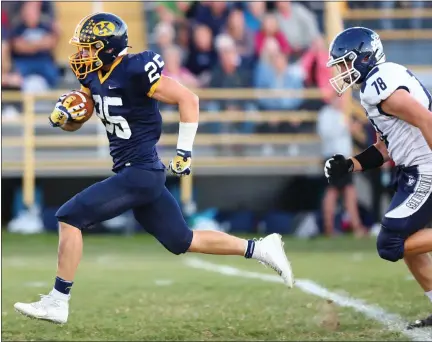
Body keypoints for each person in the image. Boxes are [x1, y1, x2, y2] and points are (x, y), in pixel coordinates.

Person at [13, 12, 294, 325]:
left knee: (69, 217)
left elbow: (189, 98)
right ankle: (261, 249)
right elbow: (84, 115)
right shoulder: (93, 77)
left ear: (107, 47)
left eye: (89, 47)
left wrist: (184, 151)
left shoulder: (135, 70)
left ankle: (58, 300)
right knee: (181, 240)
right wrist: (67, 117)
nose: (82, 54)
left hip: (141, 172)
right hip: (134, 173)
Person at [325, 26, 432, 329]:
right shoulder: (377, 82)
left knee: (390, 243)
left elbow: (426, 119)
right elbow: (387, 145)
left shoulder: (377, 84)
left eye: (345, 63)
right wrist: (350, 165)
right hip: (413, 168)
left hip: (426, 166)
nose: (341, 71)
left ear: (363, 58)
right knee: (408, 241)